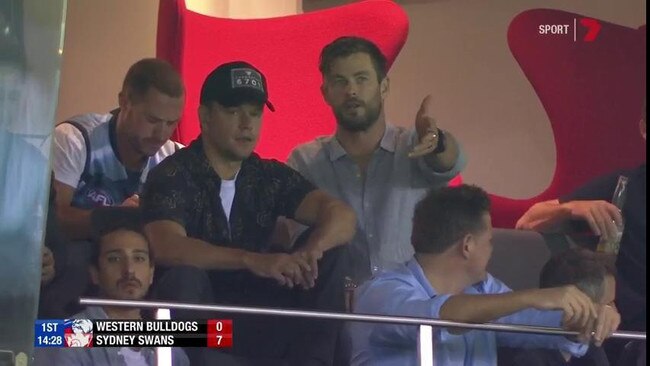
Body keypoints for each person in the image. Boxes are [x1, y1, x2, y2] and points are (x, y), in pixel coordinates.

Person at [141, 61, 357, 365]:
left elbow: (341, 215)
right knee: (183, 278)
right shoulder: (174, 173)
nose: (247, 124)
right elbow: (166, 245)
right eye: (233, 112)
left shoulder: (268, 175)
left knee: (333, 254)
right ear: (204, 116)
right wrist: (250, 259)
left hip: (262, 316)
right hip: (208, 325)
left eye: (255, 114)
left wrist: (312, 251)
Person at [349, 185, 620, 366]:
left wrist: (594, 316)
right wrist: (534, 296)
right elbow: (436, 319)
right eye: (489, 240)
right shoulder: (381, 293)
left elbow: (539, 325)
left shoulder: (484, 289)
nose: (492, 249)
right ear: (467, 245)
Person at [287, 36, 467, 283]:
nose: (351, 90)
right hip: (337, 306)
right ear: (326, 93)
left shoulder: (413, 145)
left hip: (409, 307)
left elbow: (447, 162)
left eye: (361, 79)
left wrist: (438, 140)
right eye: (340, 81)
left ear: (383, 87)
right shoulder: (305, 161)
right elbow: (290, 238)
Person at [516, 107, 645, 334]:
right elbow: (527, 222)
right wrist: (572, 208)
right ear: (644, 128)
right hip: (627, 334)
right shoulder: (623, 187)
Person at [33, 208, 189, 365]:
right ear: (94, 273)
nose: (129, 270)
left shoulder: (172, 351)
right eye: (114, 259)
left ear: (151, 273)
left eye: (139, 258)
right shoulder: (65, 338)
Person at [52, 58, 185, 241]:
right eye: (152, 120)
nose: (161, 134)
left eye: (171, 123)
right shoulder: (74, 139)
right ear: (124, 102)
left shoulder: (175, 158)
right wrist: (118, 217)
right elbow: (52, 218)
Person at [504, 248, 616, 366]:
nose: (615, 311)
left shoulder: (592, 347)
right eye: (609, 304)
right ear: (579, 305)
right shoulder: (525, 359)